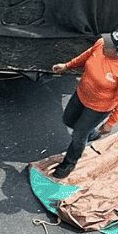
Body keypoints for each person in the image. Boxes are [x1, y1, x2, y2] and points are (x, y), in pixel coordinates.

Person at [48, 32, 118, 179]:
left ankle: (69, 162)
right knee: (68, 120)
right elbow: (86, 55)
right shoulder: (101, 44)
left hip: (98, 108)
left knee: (79, 135)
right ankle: (91, 133)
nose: (105, 44)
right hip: (81, 94)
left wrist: (110, 123)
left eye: (110, 45)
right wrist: (66, 66)